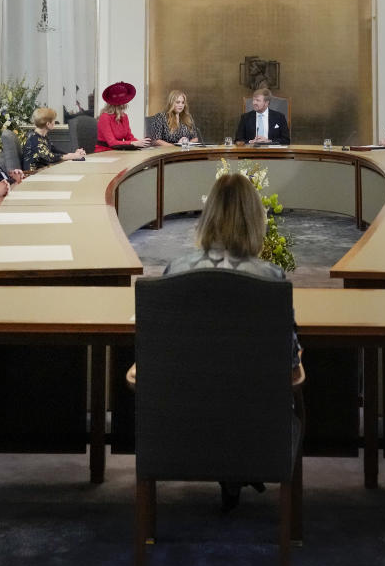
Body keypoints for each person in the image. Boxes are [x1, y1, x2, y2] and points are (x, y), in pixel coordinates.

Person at [127, 171, 304, 506]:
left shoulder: (175, 271)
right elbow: (290, 364)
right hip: (254, 425)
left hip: (179, 424)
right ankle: (241, 473)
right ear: (257, 221)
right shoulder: (271, 278)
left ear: (206, 220)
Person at [23, 106, 87, 169]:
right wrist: (73, 156)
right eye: (53, 120)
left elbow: (55, 151)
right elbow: (50, 157)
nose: (55, 122)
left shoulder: (42, 136)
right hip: (34, 175)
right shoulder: (33, 139)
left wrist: (74, 154)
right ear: (48, 124)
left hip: (44, 171)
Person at [95, 82, 150, 151]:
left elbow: (129, 137)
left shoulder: (124, 116)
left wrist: (142, 143)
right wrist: (133, 143)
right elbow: (112, 143)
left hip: (118, 151)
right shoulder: (105, 117)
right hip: (104, 152)